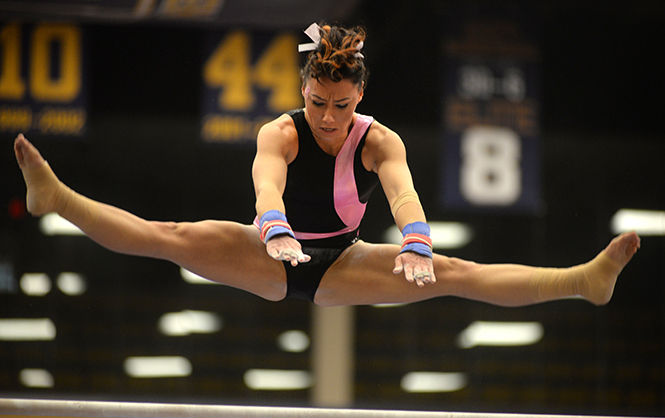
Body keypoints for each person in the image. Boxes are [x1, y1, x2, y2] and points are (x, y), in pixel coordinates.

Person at [14, 23, 639, 307]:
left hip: (344, 263)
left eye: (341, 105)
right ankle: (57, 199)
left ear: (358, 96)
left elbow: (403, 195)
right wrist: (274, 228)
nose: (329, 117)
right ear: (303, 91)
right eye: (317, 103)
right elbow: (267, 186)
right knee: (169, 237)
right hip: (267, 252)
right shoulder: (280, 132)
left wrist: (418, 241)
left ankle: (580, 281)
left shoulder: (378, 139)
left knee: (453, 270)